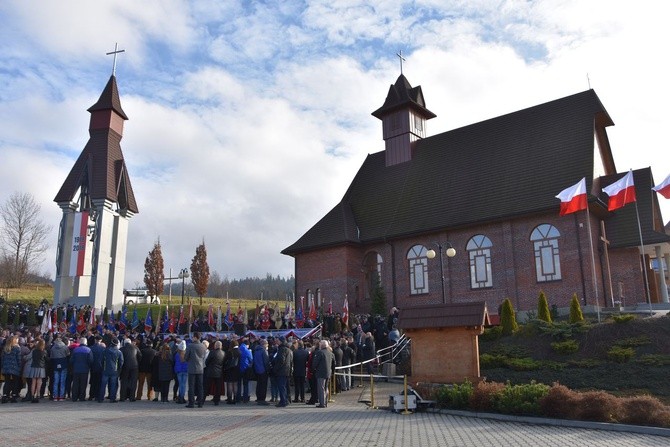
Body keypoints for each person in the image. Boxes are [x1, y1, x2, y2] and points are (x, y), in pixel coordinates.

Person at [184, 331, 207, 408]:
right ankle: (200, 403)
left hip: (192, 368)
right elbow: (203, 357)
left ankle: (191, 403)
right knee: (200, 386)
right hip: (200, 368)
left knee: (191, 386)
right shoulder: (203, 346)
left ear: (195, 337)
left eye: (193, 337)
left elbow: (186, 357)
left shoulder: (190, 346)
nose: (192, 338)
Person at [99, 337, 123, 403]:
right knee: (113, 385)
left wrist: (102, 368)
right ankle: (112, 399)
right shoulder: (119, 352)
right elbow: (121, 362)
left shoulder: (105, 350)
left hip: (105, 369)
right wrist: (119, 370)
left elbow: (100, 360)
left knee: (103, 385)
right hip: (114, 370)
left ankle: (100, 398)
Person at [311, 339, 334, 408]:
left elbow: (315, 363)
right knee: (326, 387)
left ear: (322, 345)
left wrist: (313, 369)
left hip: (321, 373)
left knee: (321, 388)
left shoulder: (319, 352)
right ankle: (325, 402)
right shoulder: (330, 353)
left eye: (320, 344)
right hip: (328, 372)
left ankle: (322, 403)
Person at [272, 336, 293, 407]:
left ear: (281, 341)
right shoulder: (288, 349)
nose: (276, 342)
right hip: (287, 371)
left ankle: (283, 401)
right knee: (284, 387)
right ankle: (285, 400)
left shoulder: (282, 349)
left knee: (281, 387)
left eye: (278, 341)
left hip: (282, 371)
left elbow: (281, 360)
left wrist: (275, 369)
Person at [70, 337, 93, 402]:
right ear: (86, 342)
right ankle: (82, 397)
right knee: (83, 384)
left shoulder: (75, 350)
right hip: (85, 370)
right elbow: (91, 360)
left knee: (75, 384)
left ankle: (74, 397)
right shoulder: (88, 350)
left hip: (76, 369)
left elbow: (71, 360)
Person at [1, 335, 21, 403]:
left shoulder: (5, 348)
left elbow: (2, 359)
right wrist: (20, 367)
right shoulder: (17, 348)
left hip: (6, 367)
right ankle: (13, 396)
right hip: (14, 367)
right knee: (15, 382)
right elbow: (18, 359)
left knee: (7, 382)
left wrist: (2, 367)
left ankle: (5, 395)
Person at [49, 334, 69, 402]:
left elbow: (51, 357)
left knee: (56, 381)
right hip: (63, 364)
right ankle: (61, 396)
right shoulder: (65, 347)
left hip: (55, 364)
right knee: (62, 381)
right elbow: (68, 354)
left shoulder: (53, 348)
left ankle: (55, 396)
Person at [204, 340, 224, 405]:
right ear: (221, 346)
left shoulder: (212, 352)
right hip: (219, 372)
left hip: (211, 371)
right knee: (218, 387)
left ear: (215, 346)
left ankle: (202, 400)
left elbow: (207, 361)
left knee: (206, 386)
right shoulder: (223, 353)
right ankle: (217, 401)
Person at [252, 338, 270, 405]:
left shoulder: (256, 350)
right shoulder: (264, 351)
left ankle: (258, 398)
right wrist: (268, 370)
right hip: (263, 370)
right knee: (263, 386)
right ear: (264, 344)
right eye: (267, 344)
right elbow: (266, 362)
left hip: (257, 370)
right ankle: (262, 399)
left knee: (259, 385)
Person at [223, 340, 241, 404]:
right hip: (237, 369)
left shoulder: (229, 352)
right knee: (235, 384)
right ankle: (235, 398)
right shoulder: (239, 351)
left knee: (229, 384)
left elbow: (224, 360)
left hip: (229, 369)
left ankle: (230, 398)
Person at [236, 338, 253, 403]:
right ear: (247, 345)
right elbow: (251, 360)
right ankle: (245, 399)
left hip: (238, 369)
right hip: (246, 369)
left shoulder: (238, 349)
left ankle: (238, 398)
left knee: (239, 384)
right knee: (245, 384)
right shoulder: (248, 351)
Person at [88, 336, 104, 401]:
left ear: (95, 340)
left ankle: (91, 395)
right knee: (99, 382)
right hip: (100, 367)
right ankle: (97, 395)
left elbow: (89, 358)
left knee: (92, 381)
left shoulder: (91, 348)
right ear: (100, 341)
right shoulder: (103, 348)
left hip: (93, 367)